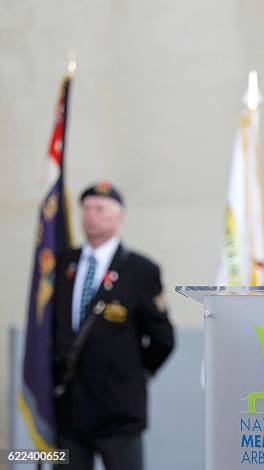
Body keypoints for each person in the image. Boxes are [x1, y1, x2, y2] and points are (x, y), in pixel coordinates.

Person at [52, 182, 175, 470]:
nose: (90, 215)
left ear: (118, 217)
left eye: (100, 209)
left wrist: (134, 374)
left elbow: (163, 339)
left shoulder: (140, 269)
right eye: (86, 208)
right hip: (68, 412)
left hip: (117, 412)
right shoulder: (62, 265)